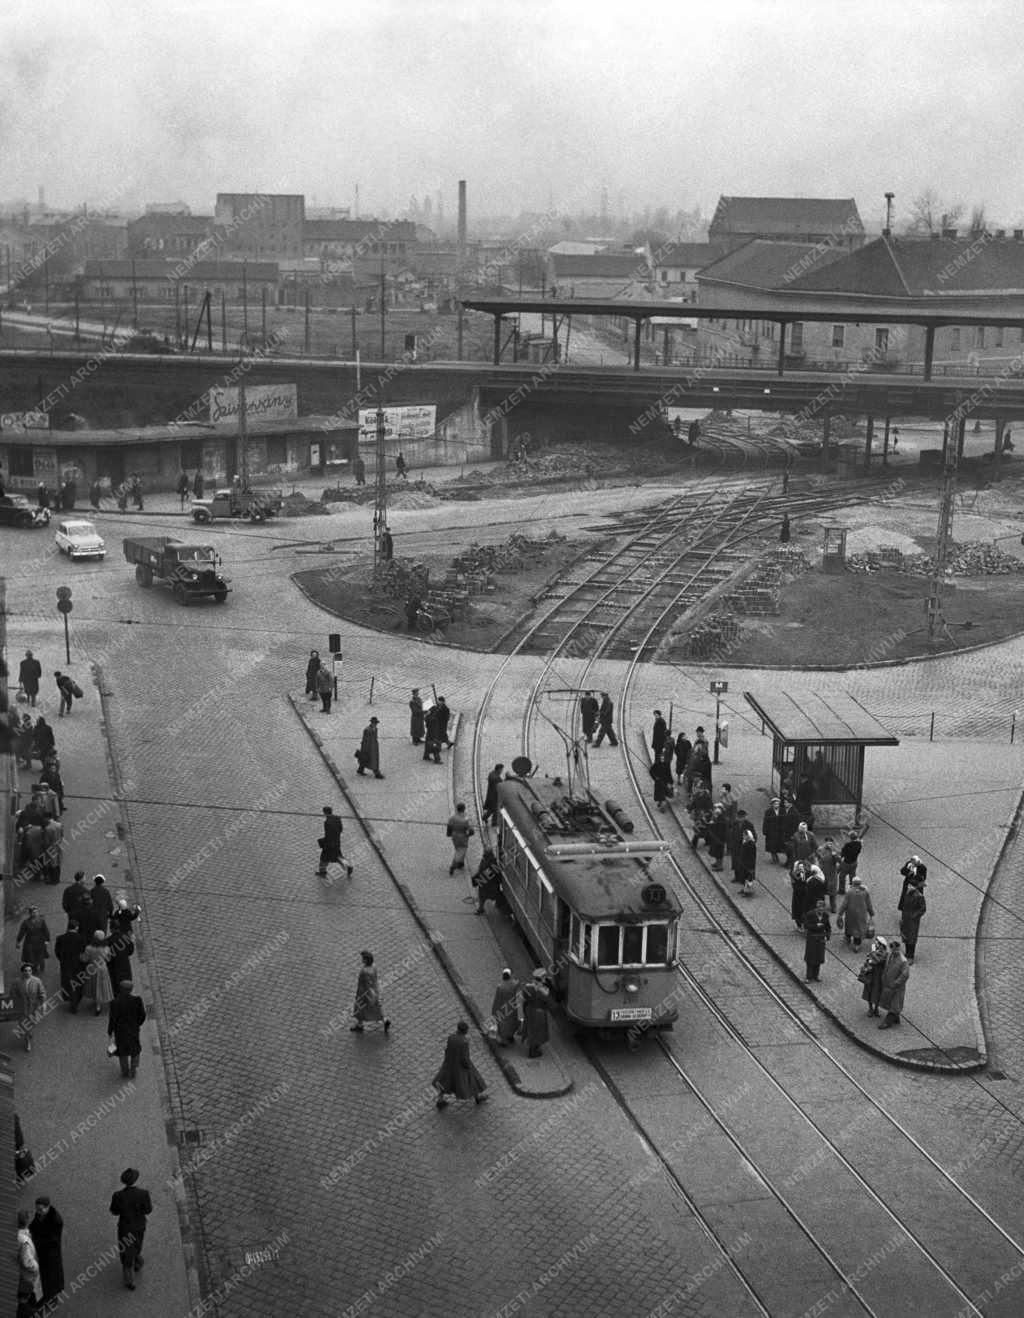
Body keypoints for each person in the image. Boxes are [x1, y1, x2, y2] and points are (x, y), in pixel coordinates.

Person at [109, 1168, 152, 1290]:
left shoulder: (118, 1195)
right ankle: (138, 1262)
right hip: (139, 1225)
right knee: (137, 1244)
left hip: (125, 1227)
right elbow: (148, 1210)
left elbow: (114, 1211)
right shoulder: (144, 1193)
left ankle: (129, 1280)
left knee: (126, 1252)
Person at [433, 1020, 488, 1107]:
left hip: (449, 1063)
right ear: (465, 1031)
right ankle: (477, 1097)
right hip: (460, 1066)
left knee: (445, 1081)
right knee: (472, 1079)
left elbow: (447, 1050)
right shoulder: (464, 1042)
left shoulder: (451, 1037)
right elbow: (464, 1058)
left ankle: (440, 1100)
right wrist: (468, 1066)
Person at [29, 1196, 64, 1308]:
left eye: (40, 1209)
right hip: (42, 1251)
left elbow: (53, 1240)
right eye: (37, 1209)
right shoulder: (40, 1215)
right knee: (45, 1275)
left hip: (51, 1253)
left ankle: (53, 1298)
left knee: (52, 1276)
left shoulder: (56, 1220)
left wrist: (37, 1241)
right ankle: (47, 1296)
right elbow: (34, 1225)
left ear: (47, 1207)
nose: (38, 1212)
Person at [108, 980, 147, 1079]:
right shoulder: (137, 1000)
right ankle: (133, 1068)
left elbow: (112, 1018)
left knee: (122, 1051)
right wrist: (137, 1024)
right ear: (131, 990)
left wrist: (110, 1030)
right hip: (133, 1029)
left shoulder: (115, 1002)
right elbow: (142, 1015)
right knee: (135, 1049)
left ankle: (124, 1071)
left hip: (120, 1031)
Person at [350, 950, 390, 1034]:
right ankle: (385, 1020)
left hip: (364, 993)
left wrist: (366, 995)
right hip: (375, 991)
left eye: (363, 958)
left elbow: (367, 985)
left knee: (360, 1009)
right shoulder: (373, 967)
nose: (361, 960)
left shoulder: (365, 971)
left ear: (366, 960)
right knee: (377, 1008)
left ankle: (360, 1025)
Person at [878, 939, 910, 1029]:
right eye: (891, 946)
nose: (892, 948)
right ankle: (895, 1016)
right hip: (889, 984)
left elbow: (905, 974)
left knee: (894, 1003)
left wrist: (896, 983)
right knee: (890, 1002)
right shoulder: (890, 955)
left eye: (893, 947)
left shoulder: (903, 961)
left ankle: (888, 1021)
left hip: (896, 987)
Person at [836, 875, 874, 951]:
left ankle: (848, 938)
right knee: (858, 929)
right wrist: (871, 913)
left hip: (850, 914)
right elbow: (869, 903)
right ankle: (856, 945)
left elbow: (844, 904)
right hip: (861, 915)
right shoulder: (865, 892)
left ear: (853, 883)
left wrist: (840, 913)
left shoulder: (849, 892)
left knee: (849, 926)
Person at [55, 919, 86, 1013]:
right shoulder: (81, 938)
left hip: (66, 964)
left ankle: (71, 1000)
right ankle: (76, 999)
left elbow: (57, 952)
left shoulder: (60, 938)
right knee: (78, 982)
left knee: (68, 982)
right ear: (76, 927)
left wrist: (62, 960)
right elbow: (83, 952)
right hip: (78, 964)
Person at [520, 968, 552, 1058]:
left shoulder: (528, 987)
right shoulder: (544, 991)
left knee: (530, 1029)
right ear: (542, 979)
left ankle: (532, 1046)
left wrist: (525, 1010)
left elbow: (523, 999)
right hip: (539, 1013)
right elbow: (549, 1003)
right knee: (538, 1031)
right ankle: (533, 1051)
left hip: (530, 1010)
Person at [81, 931, 114, 1016]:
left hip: (92, 969)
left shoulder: (89, 948)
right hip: (102, 969)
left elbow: (85, 959)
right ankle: (99, 1004)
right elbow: (109, 959)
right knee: (102, 986)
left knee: (94, 986)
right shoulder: (106, 948)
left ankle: (96, 1003)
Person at [17, 1209, 42, 1312]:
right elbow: (27, 1263)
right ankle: (29, 1307)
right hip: (27, 1274)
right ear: (27, 1221)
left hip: (19, 1270)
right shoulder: (24, 1242)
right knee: (30, 1289)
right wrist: (36, 1267)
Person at [14, 964, 45, 1052]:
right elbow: (13, 994)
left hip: (33, 1007)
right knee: (24, 1025)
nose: (28, 972)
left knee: (32, 1023)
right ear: (22, 972)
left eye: (30, 970)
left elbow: (41, 992)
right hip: (22, 1007)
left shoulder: (37, 981)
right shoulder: (17, 982)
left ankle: (29, 1032)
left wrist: (43, 1003)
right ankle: (27, 1041)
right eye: (26, 971)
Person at [317, 805, 352, 879]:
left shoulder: (327, 822)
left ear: (325, 812)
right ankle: (348, 866)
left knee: (324, 858)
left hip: (329, 844)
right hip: (337, 841)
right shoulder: (337, 818)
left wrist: (323, 841)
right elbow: (340, 829)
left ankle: (322, 872)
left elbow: (328, 834)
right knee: (338, 856)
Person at [858, 936, 889, 1017]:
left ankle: (876, 1009)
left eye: (877, 943)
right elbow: (868, 960)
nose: (875, 944)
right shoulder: (874, 951)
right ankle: (870, 1008)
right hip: (871, 974)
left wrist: (872, 953)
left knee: (878, 992)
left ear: (881, 945)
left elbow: (878, 961)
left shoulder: (885, 953)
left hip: (879, 976)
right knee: (869, 992)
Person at [472, 848, 507, 916]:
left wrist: (475, 880)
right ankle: (500, 907)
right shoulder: (494, 863)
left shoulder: (483, 862)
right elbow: (498, 876)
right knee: (497, 896)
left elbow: (479, 872)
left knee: (482, 897)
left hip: (483, 885)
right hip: (492, 886)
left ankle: (480, 909)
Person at [802, 899, 831, 981]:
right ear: (816, 908)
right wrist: (815, 926)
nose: (821, 911)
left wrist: (827, 936)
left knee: (819, 957)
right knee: (810, 958)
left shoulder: (826, 915)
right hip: (812, 938)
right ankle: (809, 976)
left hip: (821, 939)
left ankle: (816, 975)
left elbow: (828, 927)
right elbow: (806, 925)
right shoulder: (810, 914)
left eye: (822, 909)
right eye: (819, 909)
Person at [900, 877, 927, 963]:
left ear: (915, 887)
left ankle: (911, 955)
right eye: (908, 885)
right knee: (906, 936)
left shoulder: (919, 896)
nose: (908, 887)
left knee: (912, 938)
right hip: (906, 918)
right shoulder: (907, 894)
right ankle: (907, 953)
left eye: (910, 885)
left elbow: (923, 908)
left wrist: (915, 916)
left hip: (913, 920)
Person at [16, 908, 50, 977]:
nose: (35, 914)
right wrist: (18, 941)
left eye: (36, 912)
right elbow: (21, 932)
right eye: (33, 912)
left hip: (40, 941)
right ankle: (34, 970)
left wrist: (47, 940)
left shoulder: (41, 921)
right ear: (30, 913)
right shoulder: (25, 922)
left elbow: (46, 931)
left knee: (41, 957)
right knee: (32, 957)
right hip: (30, 942)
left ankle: (42, 970)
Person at [490, 969, 520, 1046]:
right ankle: (510, 1036)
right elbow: (517, 981)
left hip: (502, 1008)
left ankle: (503, 1040)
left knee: (503, 1025)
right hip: (512, 1006)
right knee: (512, 1022)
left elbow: (497, 1000)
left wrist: (494, 1012)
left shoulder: (500, 987)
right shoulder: (513, 984)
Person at [446, 803, 474, 875]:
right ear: (464, 809)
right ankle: (454, 864)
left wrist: (449, 834)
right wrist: (468, 834)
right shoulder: (466, 819)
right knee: (461, 850)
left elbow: (449, 826)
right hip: (463, 837)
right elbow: (471, 830)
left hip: (454, 836)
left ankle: (461, 863)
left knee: (458, 849)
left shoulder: (452, 818)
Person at [816, 836, 840, 912]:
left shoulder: (835, 850)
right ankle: (821, 907)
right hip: (823, 874)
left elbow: (840, 861)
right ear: (825, 842)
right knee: (821, 893)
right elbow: (817, 857)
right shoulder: (821, 849)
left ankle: (833, 907)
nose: (829, 843)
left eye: (830, 842)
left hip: (832, 874)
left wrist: (835, 855)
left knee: (832, 893)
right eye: (827, 842)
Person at [837, 829, 862, 897]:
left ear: (850, 837)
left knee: (842, 876)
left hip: (847, 863)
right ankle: (853, 889)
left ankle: (841, 890)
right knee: (852, 876)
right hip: (854, 862)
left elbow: (842, 854)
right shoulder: (859, 844)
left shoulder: (847, 845)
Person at [762, 797, 785, 864]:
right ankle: (773, 856)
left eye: (777, 804)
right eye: (775, 804)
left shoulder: (782, 811)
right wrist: (765, 830)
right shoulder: (768, 811)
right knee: (772, 844)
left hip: (779, 831)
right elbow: (765, 821)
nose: (776, 806)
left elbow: (783, 820)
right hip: (771, 831)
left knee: (778, 844)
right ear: (772, 804)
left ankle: (776, 855)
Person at [650, 748, 673, 812]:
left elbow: (669, 773)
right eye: (661, 759)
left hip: (664, 782)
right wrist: (655, 778)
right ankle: (661, 805)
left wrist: (670, 781)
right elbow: (651, 771)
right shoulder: (656, 764)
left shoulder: (667, 764)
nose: (662, 760)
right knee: (659, 794)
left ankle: (661, 804)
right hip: (658, 782)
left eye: (663, 758)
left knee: (663, 795)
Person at [739, 820, 758, 896]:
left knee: (748, 878)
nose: (743, 836)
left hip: (749, 864)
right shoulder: (745, 842)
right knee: (744, 877)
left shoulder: (751, 845)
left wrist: (750, 866)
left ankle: (748, 892)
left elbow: (752, 856)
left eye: (744, 835)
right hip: (744, 863)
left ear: (748, 836)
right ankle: (744, 889)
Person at [789, 861, 809, 929]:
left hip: (804, 894)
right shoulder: (795, 874)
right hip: (798, 894)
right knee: (798, 909)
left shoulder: (807, 873)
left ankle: (802, 924)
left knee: (803, 909)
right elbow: (793, 881)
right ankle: (800, 924)